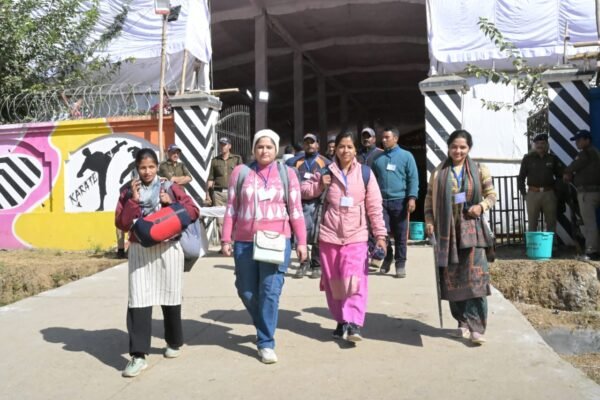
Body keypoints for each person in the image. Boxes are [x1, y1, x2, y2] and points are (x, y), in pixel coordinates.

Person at [221, 129, 308, 364]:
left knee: (270, 290)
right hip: (245, 242)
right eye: (260, 146)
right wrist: (226, 238)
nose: (264, 151)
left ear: (276, 149)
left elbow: (296, 210)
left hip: (277, 241)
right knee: (246, 290)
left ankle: (266, 342)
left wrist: (301, 242)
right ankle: (263, 322)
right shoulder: (240, 172)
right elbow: (231, 208)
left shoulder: (288, 174)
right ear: (253, 149)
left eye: (269, 147)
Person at [115, 148, 199, 377]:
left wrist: (170, 203)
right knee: (138, 299)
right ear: (137, 168)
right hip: (140, 250)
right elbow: (121, 223)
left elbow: (193, 211)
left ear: (157, 167)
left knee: (170, 296)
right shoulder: (127, 190)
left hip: (168, 249)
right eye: (143, 167)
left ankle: (173, 341)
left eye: (151, 167)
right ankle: (138, 355)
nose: (147, 172)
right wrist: (133, 202)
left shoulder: (169, 187)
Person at [301, 132, 387, 342]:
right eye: (341, 146)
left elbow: (375, 207)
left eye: (349, 146)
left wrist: (380, 235)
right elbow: (304, 190)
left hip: (356, 236)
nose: (345, 150)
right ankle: (341, 320)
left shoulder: (365, 173)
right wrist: (320, 184)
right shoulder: (325, 171)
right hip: (329, 236)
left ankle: (354, 323)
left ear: (355, 150)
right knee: (335, 283)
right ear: (335, 149)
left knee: (354, 280)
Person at [424, 130, 496, 345]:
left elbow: (492, 195)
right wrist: (429, 221)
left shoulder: (480, 170)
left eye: (463, 147)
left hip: (473, 232)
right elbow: (428, 199)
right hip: (447, 233)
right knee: (452, 279)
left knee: (475, 279)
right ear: (448, 148)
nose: (458, 151)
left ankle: (477, 328)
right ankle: (462, 321)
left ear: (469, 148)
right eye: (454, 147)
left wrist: (481, 206)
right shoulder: (439, 172)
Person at [371, 127, 419, 277]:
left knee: (400, 235)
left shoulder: (406, 156)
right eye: (383, 137)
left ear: (396, 139)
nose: (383, 140)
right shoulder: (378, 159)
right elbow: (372, 181)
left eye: (387, 137)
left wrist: (412, 197)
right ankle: (388, 256)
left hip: (400, 201)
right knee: (382, 233)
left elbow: (413, 178)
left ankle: (400, 263)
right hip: (381, 202)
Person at [287, 133, 331, 279]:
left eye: (312, 142)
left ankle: (316, 265)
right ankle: (303, 263)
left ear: (318, 144)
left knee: (318, 234)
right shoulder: (294, 162)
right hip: (300, 203)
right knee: (300, 234)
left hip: (319, 203)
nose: (309, 145)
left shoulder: (326, 162)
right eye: (306, 142)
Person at [563, 129, 600, 261]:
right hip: (594, 191)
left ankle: (592, 251)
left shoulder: (586, 153)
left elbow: (574, 165)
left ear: (587, 140)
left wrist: (567, 172)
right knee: (590, 223)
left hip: (587, 193)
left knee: (589, 223)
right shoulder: (594, 152)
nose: (577, 142)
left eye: (579, 140)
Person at [517, 134, 563, 235]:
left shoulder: (552, 158)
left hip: (549, 193)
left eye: (542, 143)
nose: (539, 146)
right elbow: (521, 177)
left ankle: (551, 244)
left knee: (551, 222)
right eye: (537, 143)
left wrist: (556, 193)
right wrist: (524, 194)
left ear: (546, 145)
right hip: (532, 193)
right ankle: (533, 244)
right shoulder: (527, 159)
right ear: (534, 145)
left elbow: (560, 176)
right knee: (532, 223)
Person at [206, 137, 243, 236]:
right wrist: (207, 195)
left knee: (234, 218)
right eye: (221, 144)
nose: (222, 147)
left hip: (233, 193)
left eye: (224, 145)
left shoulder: (236, 159)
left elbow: (242, 175)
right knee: (220, 221)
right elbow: (211, 178)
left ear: (229, 146)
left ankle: (233, 241)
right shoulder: (215, 160)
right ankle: (224, 242)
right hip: (218, 194)